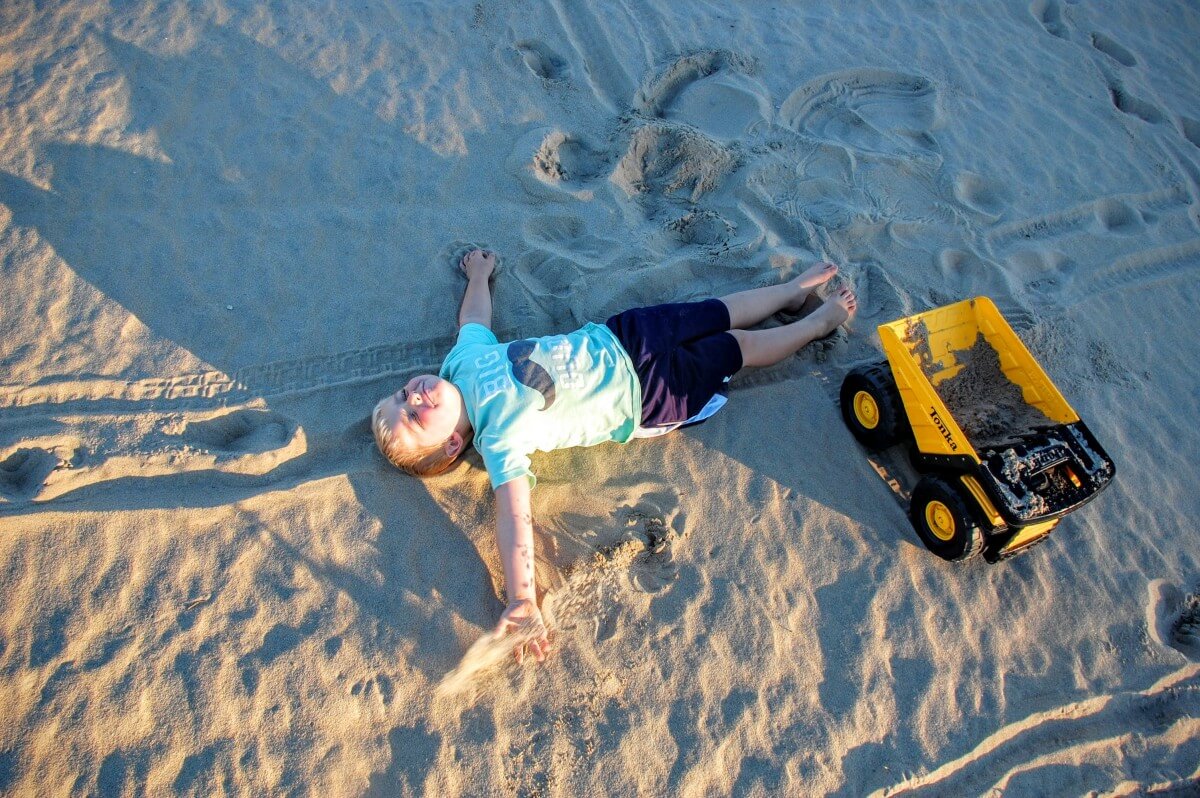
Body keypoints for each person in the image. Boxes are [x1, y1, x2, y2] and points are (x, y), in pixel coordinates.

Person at [373, 248, 857, 664]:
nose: (413, 398)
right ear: (453, 445)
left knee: (717, 311)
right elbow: (514, 517)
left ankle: (791, 292)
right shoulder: (497, 439)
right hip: (646, 396)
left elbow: (473, 320)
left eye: (401, 395)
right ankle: (817, 324)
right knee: (738, 346)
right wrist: (522, 597)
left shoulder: (460, 362)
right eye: (413, 417)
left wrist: (479, 276)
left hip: (623, 336)